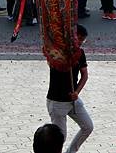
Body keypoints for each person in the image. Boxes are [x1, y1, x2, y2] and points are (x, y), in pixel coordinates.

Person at [46, 24, 94, 153]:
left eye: (82, 40)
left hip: (73, 100)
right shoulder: (57, 51)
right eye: (79, 39)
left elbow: (84, 74)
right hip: (57, 101)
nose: (80, 42)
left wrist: (77, 92)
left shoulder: (80, 53)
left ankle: (71, 151)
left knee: (88, 126)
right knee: (60, 138)